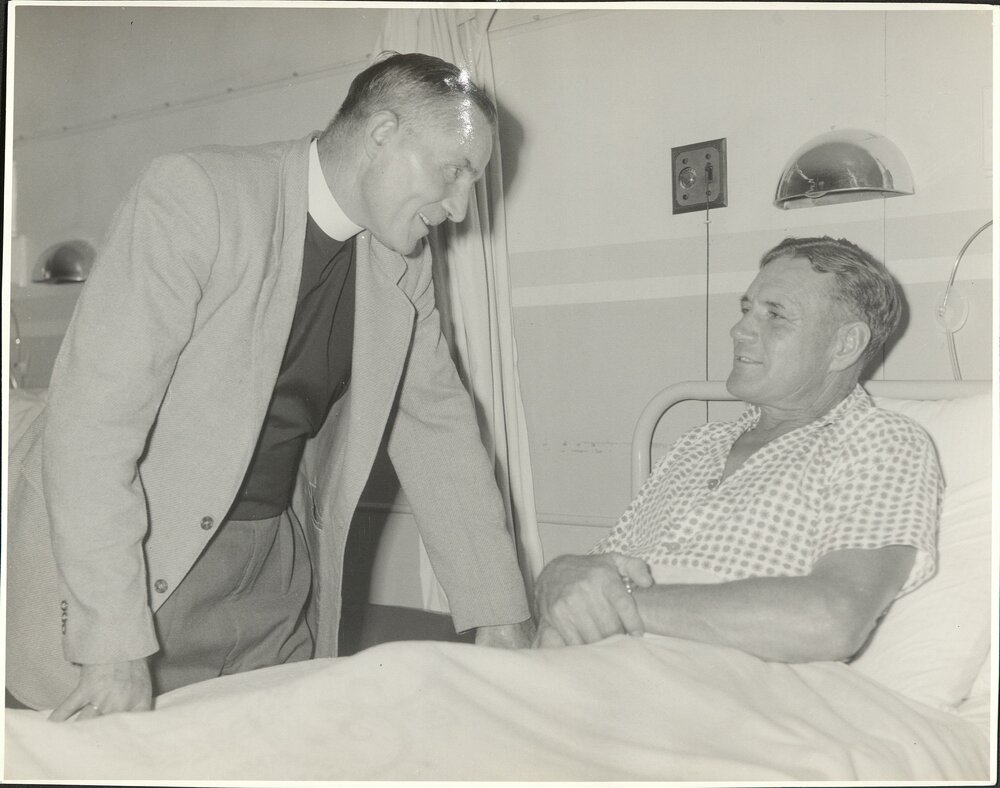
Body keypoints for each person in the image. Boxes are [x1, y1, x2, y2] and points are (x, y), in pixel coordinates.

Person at [6, 52, 533, 719]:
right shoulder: (197, 195)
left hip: (269, 575)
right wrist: (110, 641)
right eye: (454, 170)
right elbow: (89, 429)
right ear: (381, 134)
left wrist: (499, 618)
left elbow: (440, 430)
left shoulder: (402, 264)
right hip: (126, 565)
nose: (460, 207)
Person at [533, 236, 942, 662]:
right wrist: (557, 575)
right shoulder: (697, 445)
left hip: (718, 688)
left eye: (775, 315)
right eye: (747, 309)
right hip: (597, 670)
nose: (740, 329)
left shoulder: (880, 443)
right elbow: (594, 574)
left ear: (844, 345)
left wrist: (618, 605)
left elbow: (830, 620)